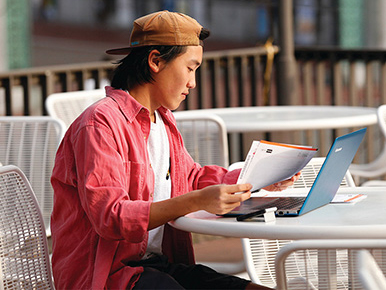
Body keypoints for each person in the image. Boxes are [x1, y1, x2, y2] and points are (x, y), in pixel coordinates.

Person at [50, 10, 298, 290]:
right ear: (156, 60)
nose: (192, 82)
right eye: (190, 68)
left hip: (155, 266)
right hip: (108, 276)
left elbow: (191, 178)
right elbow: (112, 217)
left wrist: (258, 177)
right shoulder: (99, 123)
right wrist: (196, 201)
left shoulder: (162, 120)